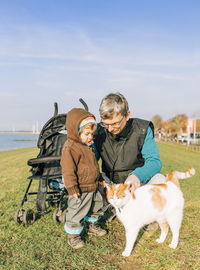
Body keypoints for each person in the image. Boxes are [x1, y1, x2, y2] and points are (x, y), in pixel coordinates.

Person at [94, 93, 163, 217]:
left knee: (160, 180)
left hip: (137, 183)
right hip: (111, 185)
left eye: (115, 123)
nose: (110, 129)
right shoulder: (98, 132)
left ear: (127, 115)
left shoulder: (142, 129)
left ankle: (150, 215)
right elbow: (91, 161)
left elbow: (154, 161)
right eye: (106, 124)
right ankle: (104, 210)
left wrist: (137, 176)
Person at [61, 108, 106, 250]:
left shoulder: (89, 145)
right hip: (80, 187)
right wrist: (72, 187)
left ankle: (93, 225)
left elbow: (93, 165)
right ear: (76, 131)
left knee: (96, 205)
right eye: (87, 134)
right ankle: (73, 235)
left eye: (91, 134)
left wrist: (99, 178)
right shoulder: (70, 148)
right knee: (77, 210)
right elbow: (68, 170)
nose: (90, 137)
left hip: (93, 184)